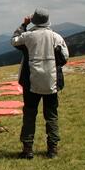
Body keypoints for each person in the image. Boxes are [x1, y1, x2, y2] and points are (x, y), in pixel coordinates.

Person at [11, 8, 69, 159]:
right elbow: (64, 57)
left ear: (34, 20)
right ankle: (52, 149)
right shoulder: (56, 37)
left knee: (30, 114)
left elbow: (14, 40)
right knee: (51, 115)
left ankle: (28, 149)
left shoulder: (28, 36)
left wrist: (23, 24)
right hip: (52, 82)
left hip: (31, 81)